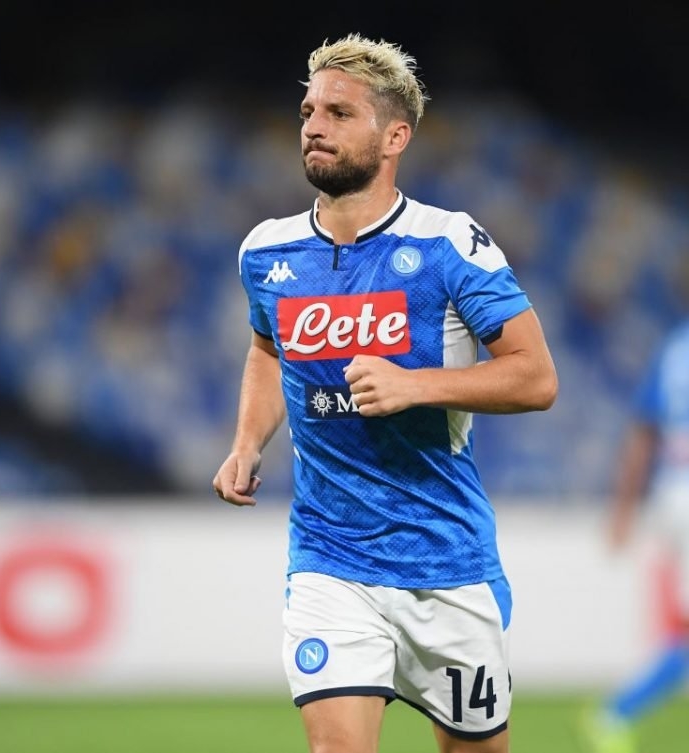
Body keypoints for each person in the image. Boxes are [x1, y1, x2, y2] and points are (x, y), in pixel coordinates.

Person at [211, 33, 559, 753]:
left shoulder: (448, 244)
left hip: (446, 562)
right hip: (330, 558)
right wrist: (247, 441)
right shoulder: (267, 252)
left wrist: (415, 385)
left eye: (339, 113)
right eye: (308, 111)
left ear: (394, 136)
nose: (314, 126)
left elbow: (536, 376)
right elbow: (267, 350)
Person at [580, 257, 689, 753]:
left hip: (672, 491)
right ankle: (615, 713)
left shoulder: (673, 350)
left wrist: (623, 508)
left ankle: (616, 712)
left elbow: (642, 435)